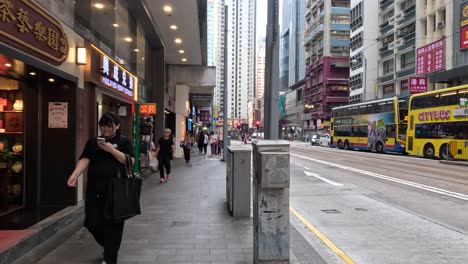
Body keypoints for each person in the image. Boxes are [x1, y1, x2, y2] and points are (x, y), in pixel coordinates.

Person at [67, 112, 134, 264]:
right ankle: (110, 247)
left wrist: (111, 149)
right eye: (102, 126)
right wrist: (75, 174)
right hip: (94, 190)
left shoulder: (124, 141)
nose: (105, 129)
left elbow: (129, 160)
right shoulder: (93, 142)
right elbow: (85, 158)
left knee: (114, 224)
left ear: (117, 126)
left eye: (109, 126)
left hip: (116, 191)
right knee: (92, 223)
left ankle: (110, 258)